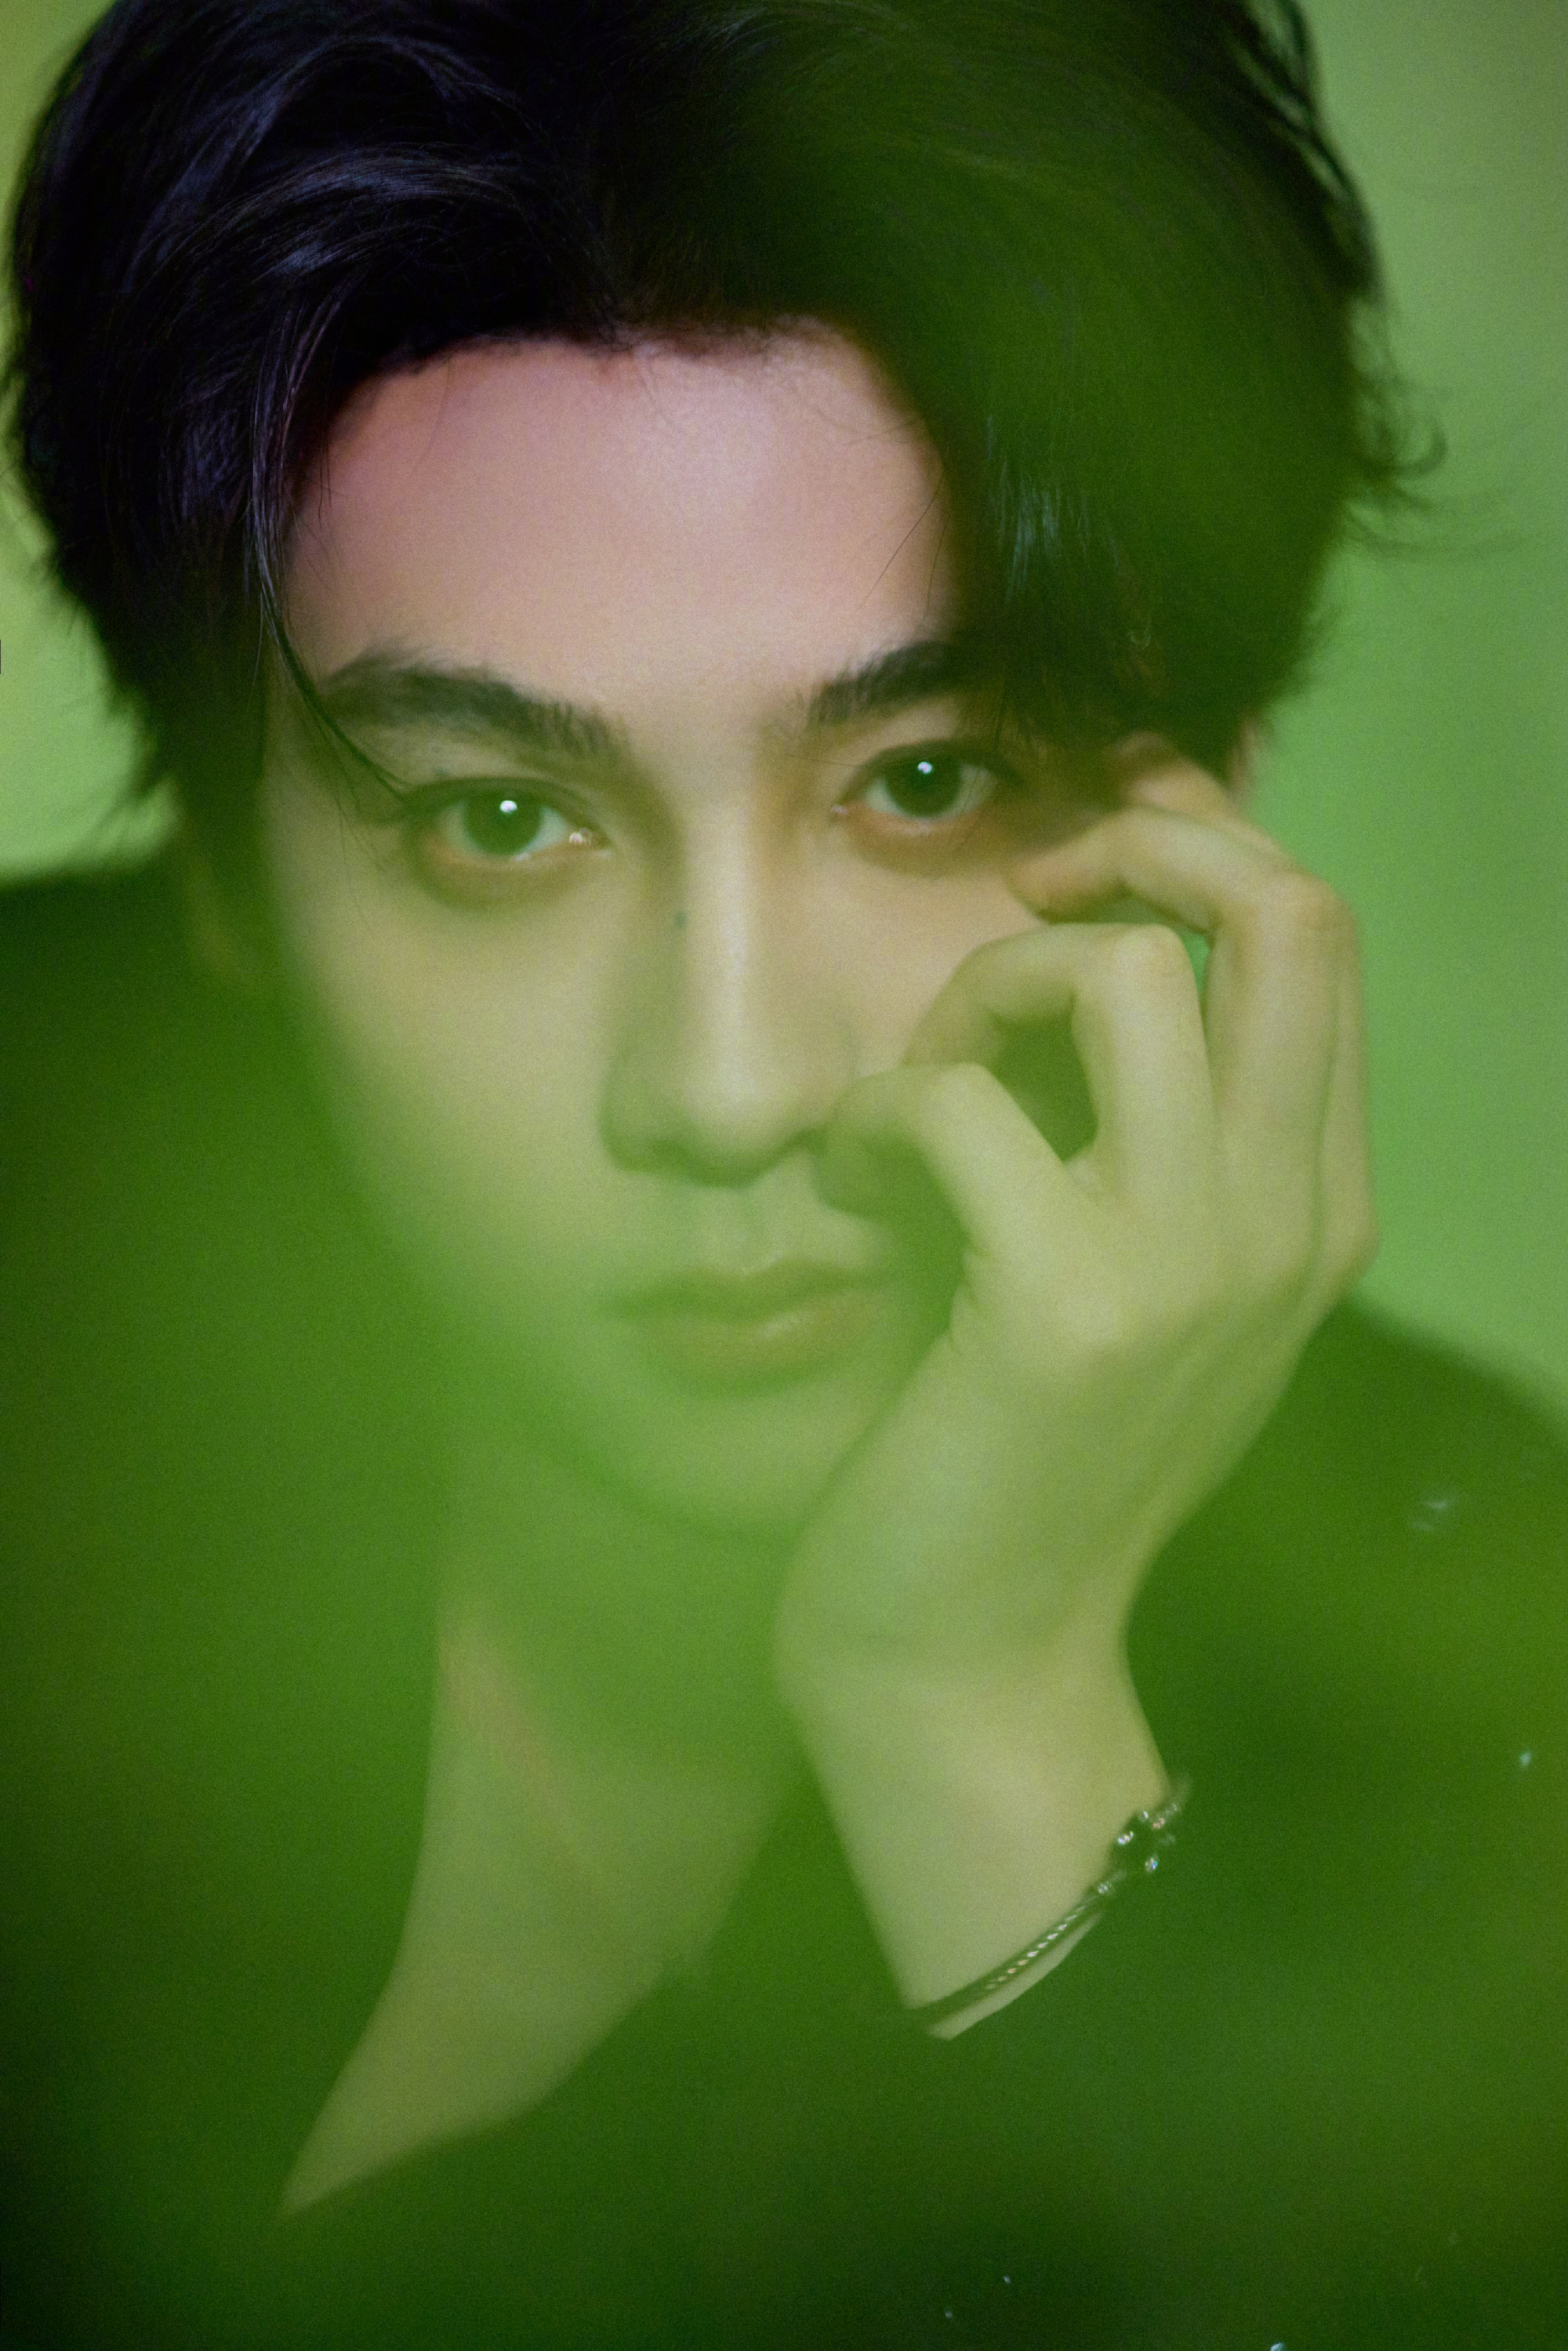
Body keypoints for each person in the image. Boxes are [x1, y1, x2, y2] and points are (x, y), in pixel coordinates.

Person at [2, 1, 1563, 2345]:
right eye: (495, 823)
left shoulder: (1478, 1652)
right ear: (225, 864)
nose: (731, 1089)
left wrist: (984, 1714)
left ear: (1214, 798)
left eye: (927, 782)